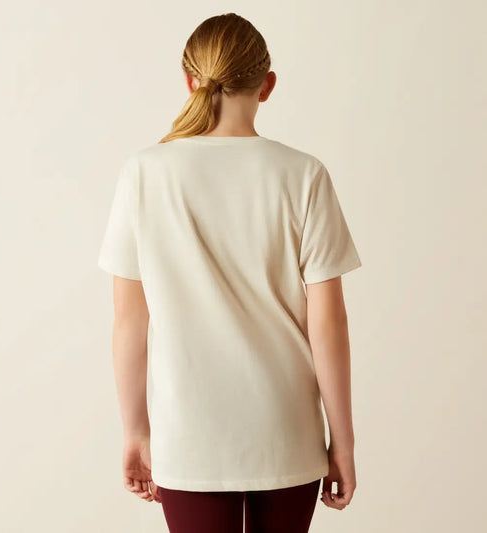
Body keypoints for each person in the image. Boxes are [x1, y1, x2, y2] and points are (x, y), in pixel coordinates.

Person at [97, 12, 361, 533]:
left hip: (188, 434)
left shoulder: (144, 173)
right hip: (287, 431)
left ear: (190, 81)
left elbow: (130, 322)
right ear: (267, 85)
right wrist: (343, 443)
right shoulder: (302, 174)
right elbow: (328, 323)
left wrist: (136, 431)